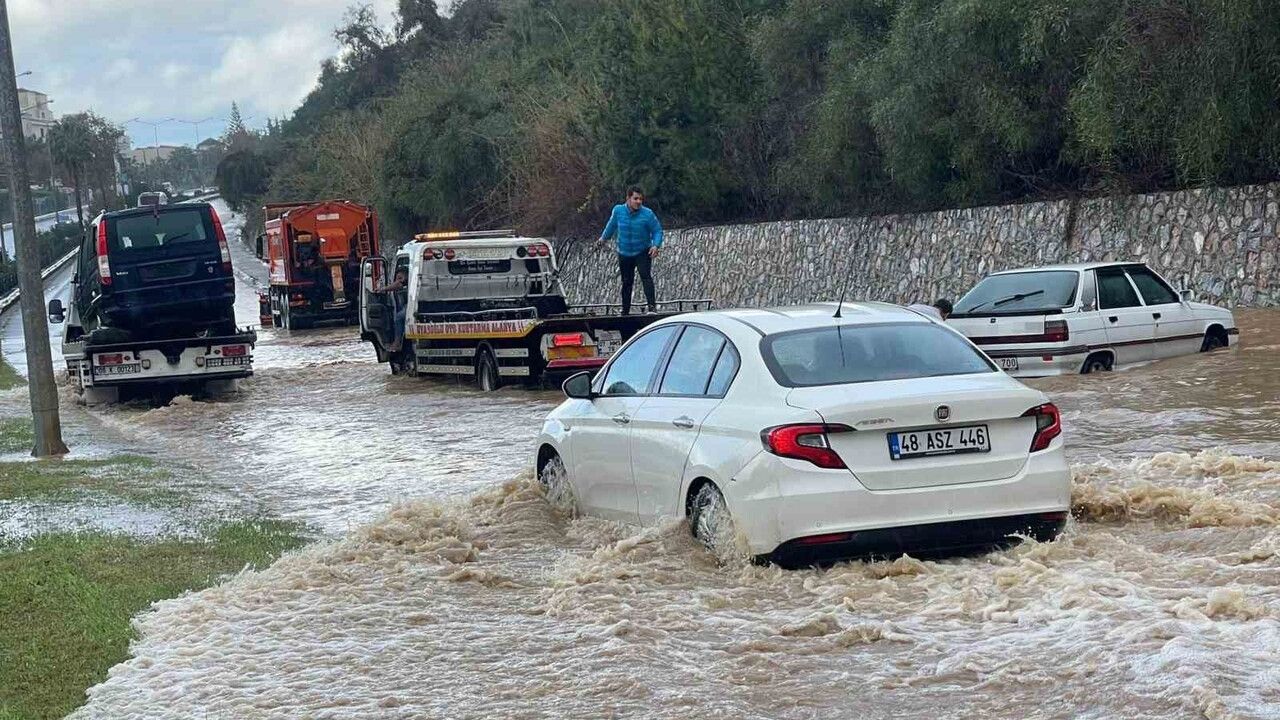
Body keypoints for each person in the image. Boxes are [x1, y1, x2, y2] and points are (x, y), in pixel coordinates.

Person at [599, 186, 663, 315]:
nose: (638, 202)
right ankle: (625, 310)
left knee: (645, 276)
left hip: (642, 251)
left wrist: (656, 245)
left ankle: (652, 308)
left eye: (640, 199)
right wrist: (603, 239)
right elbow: (611, 226)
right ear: (628, 199)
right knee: (627, 282)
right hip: (624, 252)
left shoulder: (648, 214)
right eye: (635, 198)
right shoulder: (618, 211)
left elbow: (657, 230)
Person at [379, 267, 410, 352]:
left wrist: (384, 289)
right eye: (396, 278)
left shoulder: (408, 282)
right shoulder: (408, 283)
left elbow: (398, 284)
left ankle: (397, 343)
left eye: (400, 278)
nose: (398, 280)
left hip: (412, 306)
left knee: (399, 318)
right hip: (408, 306)